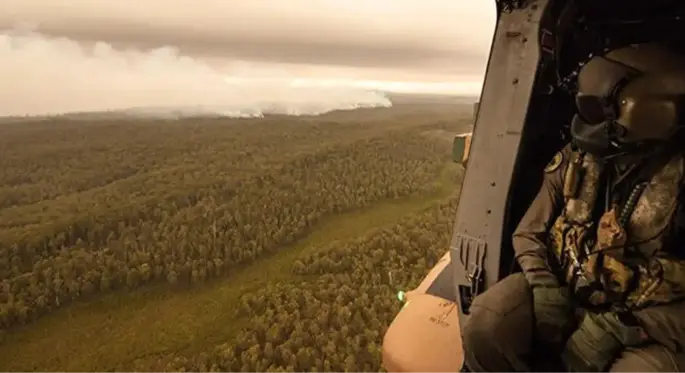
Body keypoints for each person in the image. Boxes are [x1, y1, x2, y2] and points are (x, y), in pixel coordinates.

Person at [461, 42, 685, 373]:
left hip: (647, 324)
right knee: (486, 324)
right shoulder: (580, 159)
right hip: (567, 290)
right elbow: (529, 232)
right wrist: (543, 286)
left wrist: (623, 326)